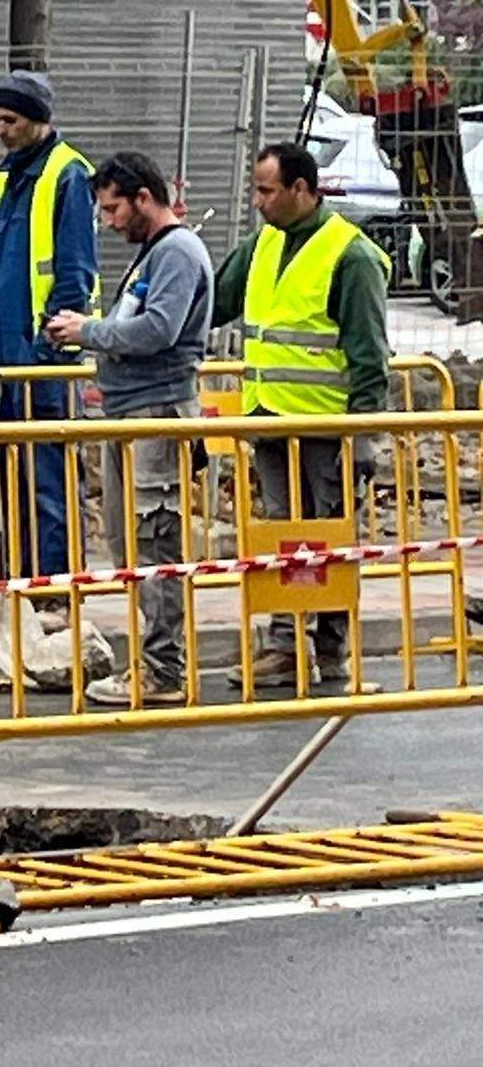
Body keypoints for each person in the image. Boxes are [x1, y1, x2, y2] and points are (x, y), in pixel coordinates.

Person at [211, 141, 390, 692]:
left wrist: (362, 436)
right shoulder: (263, 243)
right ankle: (287, 645)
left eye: (266, 191)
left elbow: (369, 356)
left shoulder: (350, 257)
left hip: (325, 431)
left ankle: (329, 649)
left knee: (328, 538)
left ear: (302, 190)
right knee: (282, 538)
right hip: (270, 423)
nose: (257, 201)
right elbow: (215, 302)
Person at [47, 152, 213, 706]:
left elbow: (159, 330)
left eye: (114, 209)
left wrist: (88, 331)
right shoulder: (156, 253)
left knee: (155, 542)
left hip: (156, 415)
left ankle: (165, 670)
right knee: (132, 545)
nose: (109, 221)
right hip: (133, 414)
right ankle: (155, 663)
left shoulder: (177, 252)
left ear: (144, 197)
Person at [0, 70, 98, 584]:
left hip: (42, 361)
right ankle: (24, 577)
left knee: (49, 478)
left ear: (38, 120)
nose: (2, 130)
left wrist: (50, 348)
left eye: (10, 120)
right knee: (14, 478)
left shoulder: (67, 176)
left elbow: (74, 272)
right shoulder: (8, 177)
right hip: (3, 358)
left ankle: (55, 584)